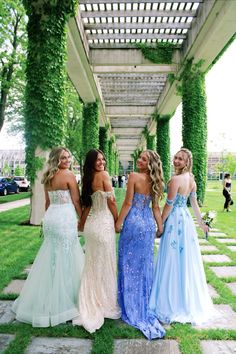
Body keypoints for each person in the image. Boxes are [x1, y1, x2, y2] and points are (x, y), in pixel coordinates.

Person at [12, 147, 85, 327]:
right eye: (63, 158)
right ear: (56, 160)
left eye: (68, 156)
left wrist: (47, 221)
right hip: (65, 218)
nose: (67, 160)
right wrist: (82, 219)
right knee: (67, 257)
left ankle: (50, 295)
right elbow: (76, 201)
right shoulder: (68, 175)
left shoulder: (47, 177)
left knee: (52, 257)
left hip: (51, 217)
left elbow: (47, 202)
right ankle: (67, 301)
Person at [149, 148, 214, 326]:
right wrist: (201, 224)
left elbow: (169, 206)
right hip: (185, 221)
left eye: (180, 159)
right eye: (175, 157)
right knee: (184, 258)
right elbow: (193, 205)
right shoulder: (191, 180)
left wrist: (160, 225)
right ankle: (184, 297)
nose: (176, 160)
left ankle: (171, 300)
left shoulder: (175, 180)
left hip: (175, 221)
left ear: (186, 163)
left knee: (171, 257)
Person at [115, 150, 166, 340]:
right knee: (144, 266)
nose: (139, 160)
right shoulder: (156, 181)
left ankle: (128, 303)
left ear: (150, 163)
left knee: (127, 264)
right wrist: (159, 227)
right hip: (147, 226)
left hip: (133, 223)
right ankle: (144, 301)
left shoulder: (134, 177)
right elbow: (155, 207)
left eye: (143, 159)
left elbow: (128, 203)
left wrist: (119, 223)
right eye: (140, 157)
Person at [73, 149, 120, 333]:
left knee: (92, 265)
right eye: (98, 160)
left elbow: (86, 206)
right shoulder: (104, 175)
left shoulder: (87, 178)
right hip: (104, 223)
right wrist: (117, 221)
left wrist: (82, 224)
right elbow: (112, 203)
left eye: (103, 159)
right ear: (91, 162)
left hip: (92, 227)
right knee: (104, 263)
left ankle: (91, 297)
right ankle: (103, 301)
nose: (101, 162)